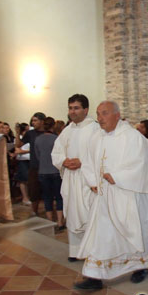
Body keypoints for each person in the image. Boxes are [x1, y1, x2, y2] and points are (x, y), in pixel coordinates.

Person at [74, 101, 148, 290]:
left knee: (136, 233)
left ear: (117, 115)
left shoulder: (133, 137)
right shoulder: (97, 137)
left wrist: (117, 177)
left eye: (104, 113)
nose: (100, 118)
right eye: (98, 114)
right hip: (105, 197)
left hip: (131, 196)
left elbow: (143, 165)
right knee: (102, 235)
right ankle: (94, 276)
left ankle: (140, 266)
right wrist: (92, 182)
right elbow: (88, 162)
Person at [51, 94, 99, 261]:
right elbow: (56, 152)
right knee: (72, 212)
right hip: (71, 179)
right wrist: (64, 161)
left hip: (87, 179)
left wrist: (82, 162)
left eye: (76, 108)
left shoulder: (95, 128)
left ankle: (91, 251)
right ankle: (76, 251)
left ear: (85, 109)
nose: (72, 111)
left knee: (89, 213)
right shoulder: (68, 130)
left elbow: (100, 154)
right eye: (70, 108)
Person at [35, 117, 64, 230]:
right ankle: (60, 222)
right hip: (55, 171)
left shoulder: (38, 139)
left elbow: (37, 156)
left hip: (43, 171)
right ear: (53, 126)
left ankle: (50, 222)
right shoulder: (57, 139)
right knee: (59, 197)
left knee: (47, 197)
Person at [15, 112, 46, 215]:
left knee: (47, 189)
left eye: (35, 120)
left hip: (46, 165)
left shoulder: (48, 132)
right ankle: (34, 210)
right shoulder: (30, 133)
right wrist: (17, 132)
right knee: (34, 189)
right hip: (34, 165)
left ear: (42, 121)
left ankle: (49, 210)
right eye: (32, 120)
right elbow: (18, 145)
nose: (33, 122)